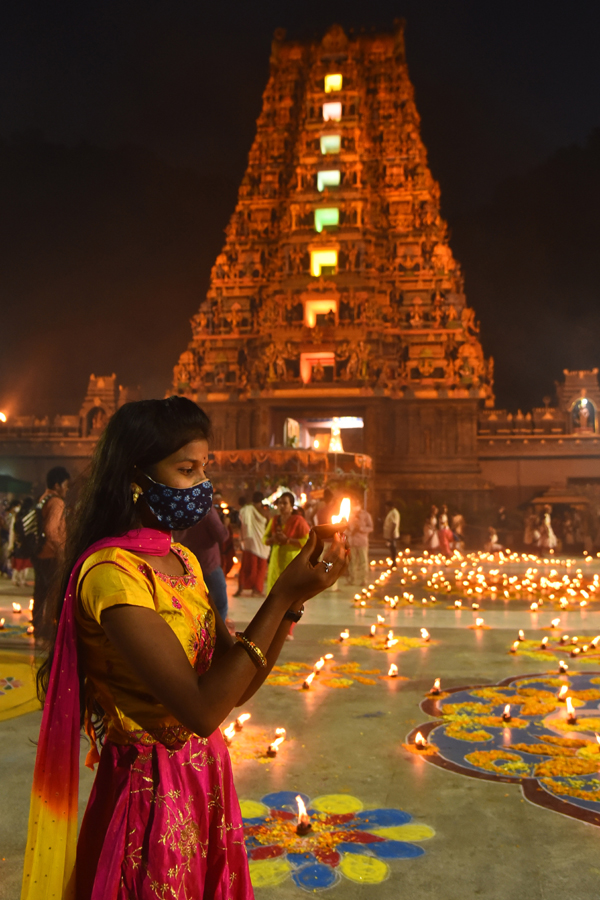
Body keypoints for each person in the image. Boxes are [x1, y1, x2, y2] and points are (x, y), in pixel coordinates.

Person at [22, 396, 347, 900]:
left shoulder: (182, 560)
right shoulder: (113, 576)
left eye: (204, 469)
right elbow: (199, 709)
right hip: (149, 790)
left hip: (204, 775)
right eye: (186, 469)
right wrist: (279, 592)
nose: (202, 485)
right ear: (136, 475)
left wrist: (292, 603)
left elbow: (235, 687)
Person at [180, 491, 230, 622]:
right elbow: (221, 536)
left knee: (193, 607)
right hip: (208, 565)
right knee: (220, 605)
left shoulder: (179, 505)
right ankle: (217, 640)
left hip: (185, 564)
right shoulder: (205, 508)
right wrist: (225, 524)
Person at [32, 465, 70, 636]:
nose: (67, 489)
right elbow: (51, 530)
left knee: (40, 590)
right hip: (51, 554)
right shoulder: (57, 502)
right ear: (57, 485)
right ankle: (48, 627)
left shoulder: (43, 499)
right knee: (53, 593)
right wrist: (62, 551)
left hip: (39, 553)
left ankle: (38, 624)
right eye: (65, 485)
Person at [264, 492, 310, 595]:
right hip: (275, 562)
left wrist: (288, 540)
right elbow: (265, 539)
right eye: (280, 503)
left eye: (285, 503)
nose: (281, 506)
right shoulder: (274, 520)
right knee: (273, 594)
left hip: (291, 562)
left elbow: (307, 541)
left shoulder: (299, 521)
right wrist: (273, 539)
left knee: (289, 594)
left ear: (291, 506)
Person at [237, 491, 270, 596]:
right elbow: (269, 526)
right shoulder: (265, 512)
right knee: (260, 568)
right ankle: (257, 590)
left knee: (245, 567)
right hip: (262, 543)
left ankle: (240, 588)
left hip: (249, 542)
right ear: (262, 500)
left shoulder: (246, 510)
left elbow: (241, 523)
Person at [347, 497, 373, 586]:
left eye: (356, 504)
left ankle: (364, 580)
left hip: (362, 542)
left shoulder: (366, 515)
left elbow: (371, 527)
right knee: (352, 562)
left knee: (363, 562)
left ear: (359, 505)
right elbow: (346, 528)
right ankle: (352, 579)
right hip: (352, 542)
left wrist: (361, 529)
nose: (355, 506)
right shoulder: (349, 515)